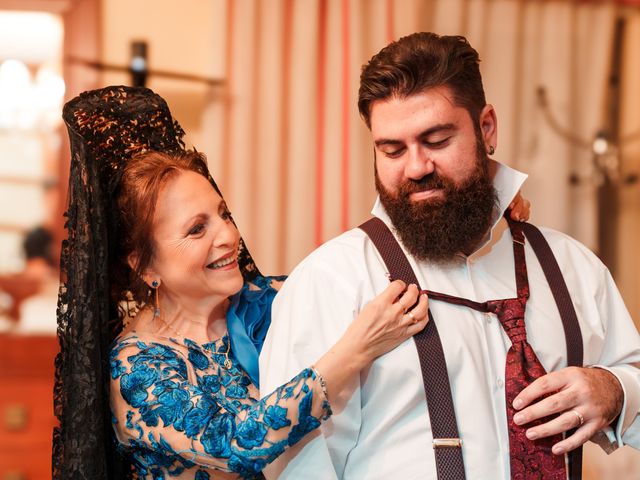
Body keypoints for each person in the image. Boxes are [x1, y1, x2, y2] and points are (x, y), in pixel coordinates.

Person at [259, 32, 640, 479]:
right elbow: (297, 465)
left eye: (436, 140)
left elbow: (631, 371)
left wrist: (615, 388)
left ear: (487, 128)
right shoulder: (332, 281)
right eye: (392, 150)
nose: (416, 167)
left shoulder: (572, 266)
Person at [52, 85, 433, 480]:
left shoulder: (267, 298)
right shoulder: (136, 367)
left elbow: (360, 286)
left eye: (222, 214)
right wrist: (357, 349)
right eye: (197, 229)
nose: (228, 236)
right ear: (145, 266)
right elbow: (237, 443)